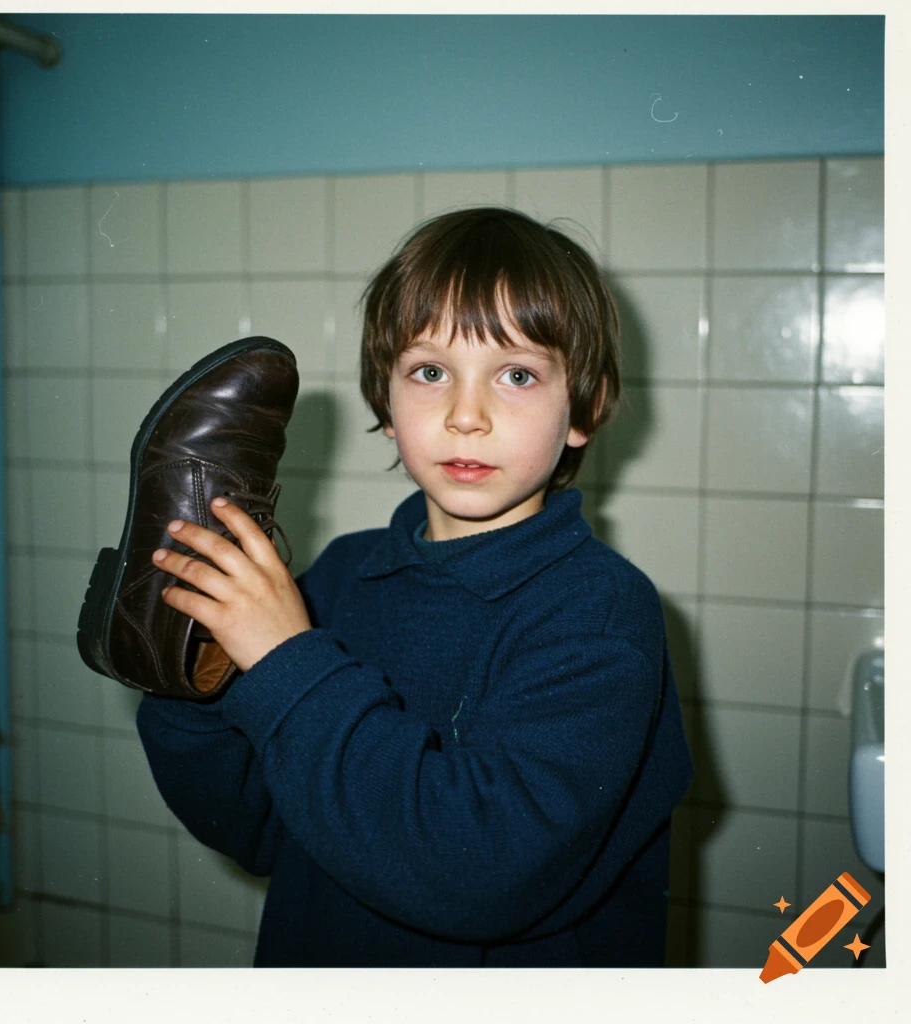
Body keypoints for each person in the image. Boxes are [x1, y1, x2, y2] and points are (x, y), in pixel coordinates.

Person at [135, 206, 694, 967]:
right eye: (430, 373)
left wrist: (285, 662)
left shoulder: (600, 614)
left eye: (518, 375)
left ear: (584, 410)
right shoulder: (342, 575)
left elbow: (479, 873)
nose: (466, 416)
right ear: (387, 404)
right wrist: (193, 682)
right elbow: (258, 827)